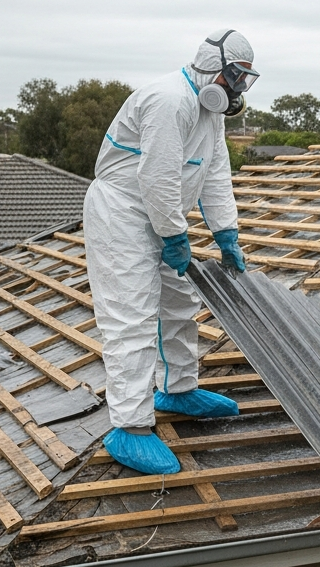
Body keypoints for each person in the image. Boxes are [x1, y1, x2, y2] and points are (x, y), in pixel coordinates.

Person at [83, 30, 253, 475]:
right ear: (210, 64)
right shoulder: (168, 99)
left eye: (243, 80)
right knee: (131, 316)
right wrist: (176, 237)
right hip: (122, 212)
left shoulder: (208, 114)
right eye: (234, 76)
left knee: (180, 301)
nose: (236, 89)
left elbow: (215, 174)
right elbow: (156, 176)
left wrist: (226, 232)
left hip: (161, 214)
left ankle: (177, 389)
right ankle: (131, 426)